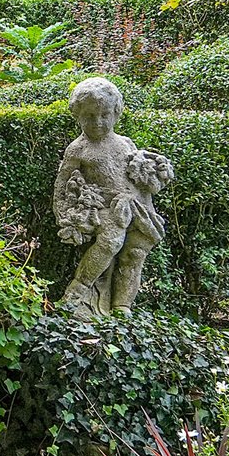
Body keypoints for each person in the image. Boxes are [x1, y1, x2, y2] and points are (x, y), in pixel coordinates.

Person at [51, 76, 173, 316]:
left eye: (105, 115)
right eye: (89, 117)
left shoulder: (126, 143)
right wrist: (64, 215)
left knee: (135, 254)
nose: (98, 122)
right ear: (78, 116)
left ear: (116, 113)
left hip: (137, 206)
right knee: (111, 241)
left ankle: (122, 305)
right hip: (105, 207)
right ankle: (79, 289)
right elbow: (62, 182)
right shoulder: (78, 148)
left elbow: (140, 174)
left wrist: (154, 174)